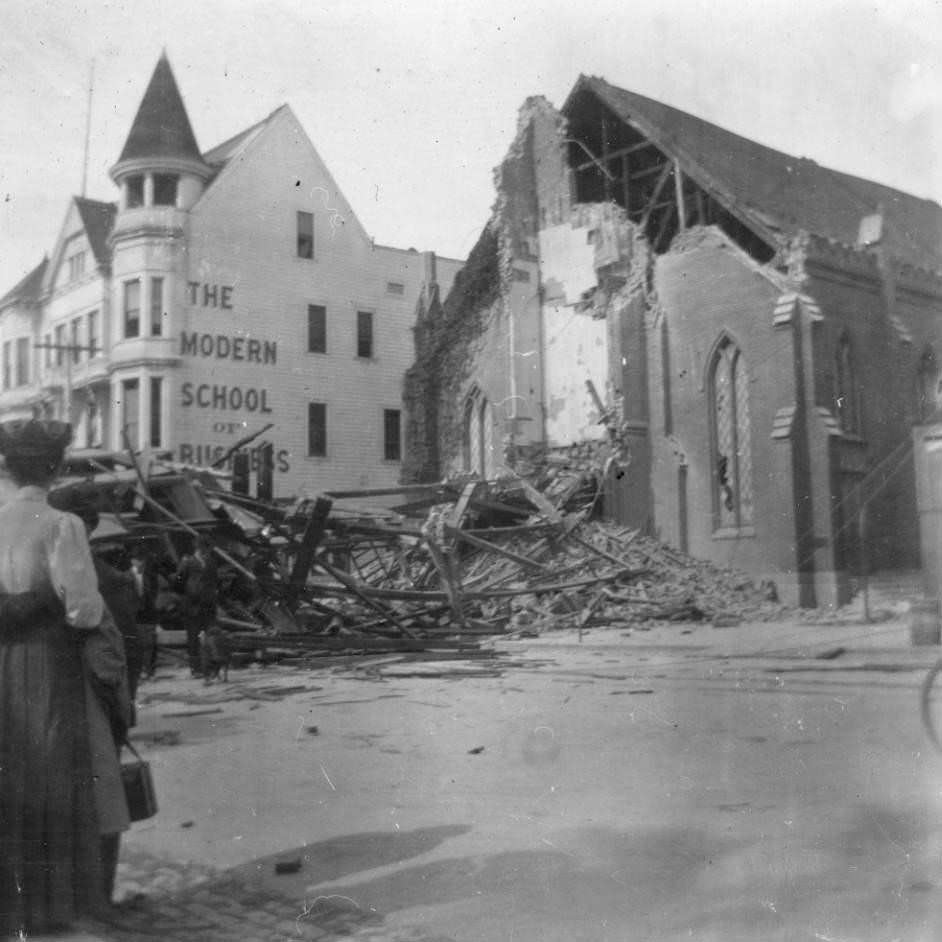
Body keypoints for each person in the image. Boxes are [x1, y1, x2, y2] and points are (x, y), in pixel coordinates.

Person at [0, 419, 125, 935]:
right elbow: (84, 611)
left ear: (7, 467)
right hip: (47, 661)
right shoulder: (62, 525)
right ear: (54, 469)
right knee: (52, 770)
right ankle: (55, 907)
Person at [174, 533, 219, 677]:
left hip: (208, 604)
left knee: (211, 636)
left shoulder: (211, 562)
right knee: (193, 638)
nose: (206, 551)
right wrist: (189, 594)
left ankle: (210, 666)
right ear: (199, 548)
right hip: (192, 605)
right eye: (204, 548)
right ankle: (196, 669)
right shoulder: (187, 562)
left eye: (208, 549)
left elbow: (214, 581)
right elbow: (178, 582)